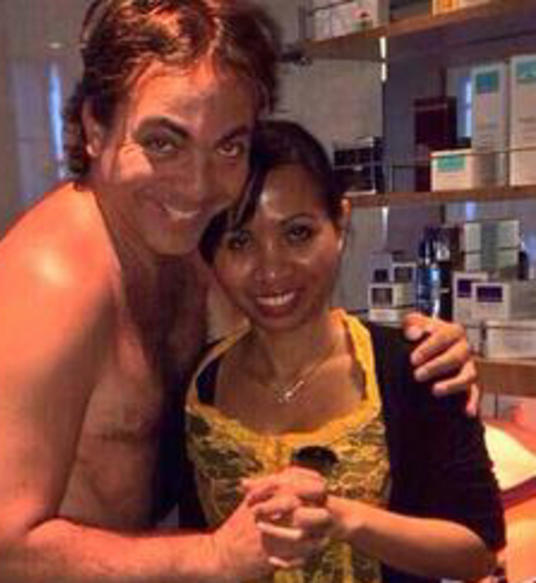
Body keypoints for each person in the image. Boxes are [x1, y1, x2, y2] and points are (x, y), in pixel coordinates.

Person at [0, 2, 478, 581]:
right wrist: (216, 557)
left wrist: (421, 352)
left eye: (228, 146)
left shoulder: (183, 247)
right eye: (164, 143)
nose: (198, 185)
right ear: (95, 128)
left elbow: (283, 325)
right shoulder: (49, 283)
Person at [184, 119, 505, 582]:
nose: (271, 268)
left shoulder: (418, 366)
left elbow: (477, 550)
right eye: (239, 242)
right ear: (211, 255)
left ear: (340, 221)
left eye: (297, 233)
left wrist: (344, 518)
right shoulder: (196, 386)